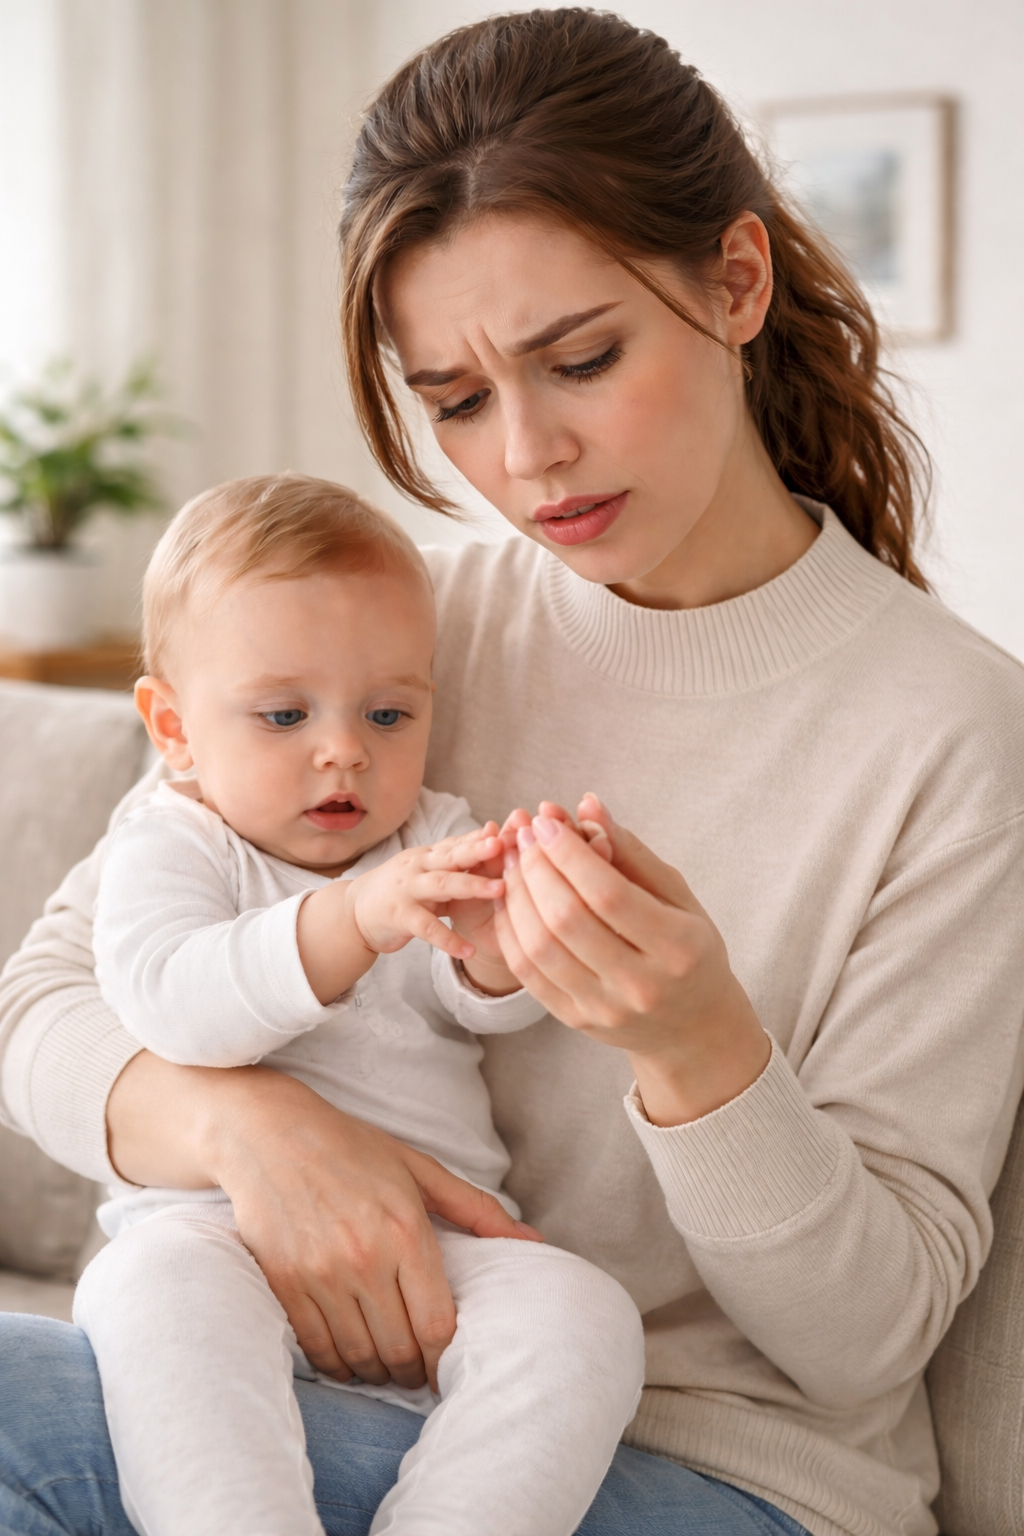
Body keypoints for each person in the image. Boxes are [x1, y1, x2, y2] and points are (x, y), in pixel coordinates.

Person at [2, 9, 1023, 1536]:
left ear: (735, 282)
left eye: (583, 360)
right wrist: (256, 1133)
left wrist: (700, 1055)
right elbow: (46, 1013)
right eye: (460, 401)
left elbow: (870, 1340)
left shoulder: (950, 731)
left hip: (723, 1470)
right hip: (342, 1385)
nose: (529, 455)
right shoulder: (396, 643)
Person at [75, 471, 644, 1536]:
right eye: (284, 714)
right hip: (214, 1235)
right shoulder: (170, 840)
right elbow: (171, 1006)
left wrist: (498, 955)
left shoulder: (428, 832)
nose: (344, 748)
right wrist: (354, 918)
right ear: (173, 725)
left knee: (584, 1316)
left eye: (389, 712)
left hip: (436, 1247)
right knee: (144, 1294)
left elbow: (467, 1004)